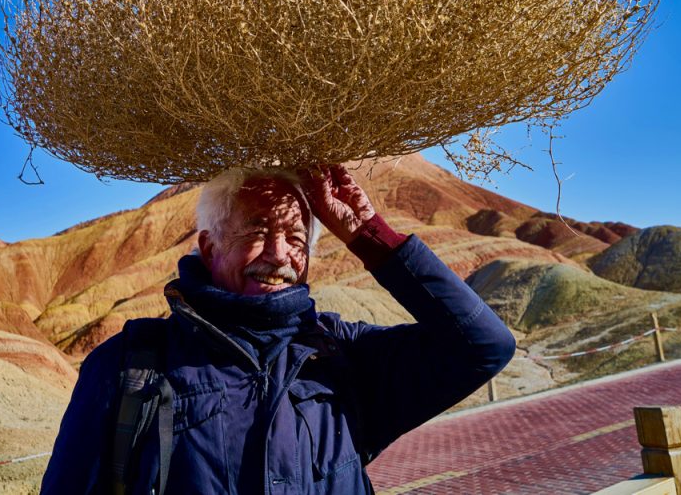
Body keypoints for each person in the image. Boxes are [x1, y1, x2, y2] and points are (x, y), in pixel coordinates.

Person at [41, 164, 515, 494]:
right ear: (209, 248)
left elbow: (483, 346)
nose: (279, 254)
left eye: (295, 238)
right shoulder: (130, 367)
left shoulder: (338, 356)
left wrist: (368, 234)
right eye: (255, 232)